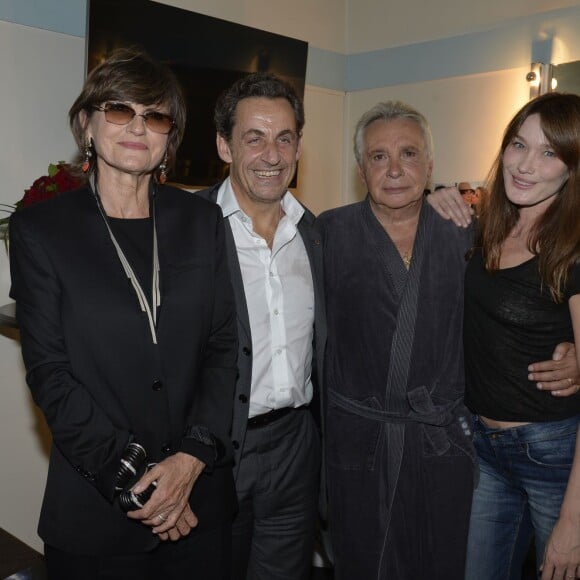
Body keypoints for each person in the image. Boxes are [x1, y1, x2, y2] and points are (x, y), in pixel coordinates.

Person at [317, 100, 580, 579]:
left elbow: (528, 312)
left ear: (431, 164)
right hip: (363, 445)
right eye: (378, 156)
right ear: (361, 168)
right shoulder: (327, 235)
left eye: (409, 154)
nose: (395, 169)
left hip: (453, 446)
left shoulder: (468, 232)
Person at [9, 48, 238, 580]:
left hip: (200, 503)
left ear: (168, 140)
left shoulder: (202, 221)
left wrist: (190, 459)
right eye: (119, 110)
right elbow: (50, 373)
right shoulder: (41, 231)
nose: (137, 126)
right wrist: (136, 477)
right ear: (87, 125)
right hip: (99, 512)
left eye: (155, 115)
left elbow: (224, 345)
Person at [428, 92, 580, 580]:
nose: (526, 165)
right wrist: (432, 198)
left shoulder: (574, 249)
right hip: (485, 450)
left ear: (572, 168)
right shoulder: (488, 225)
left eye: (549, 152)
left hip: (554, 456)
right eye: (519, 144)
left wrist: (574, 523)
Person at [196, 73, 326, 580]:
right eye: (254, 138)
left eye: (285, 138)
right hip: (215, 450)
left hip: (296, 448)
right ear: (224, 146)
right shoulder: (189, 228)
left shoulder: (316, 233)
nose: (272, 155)